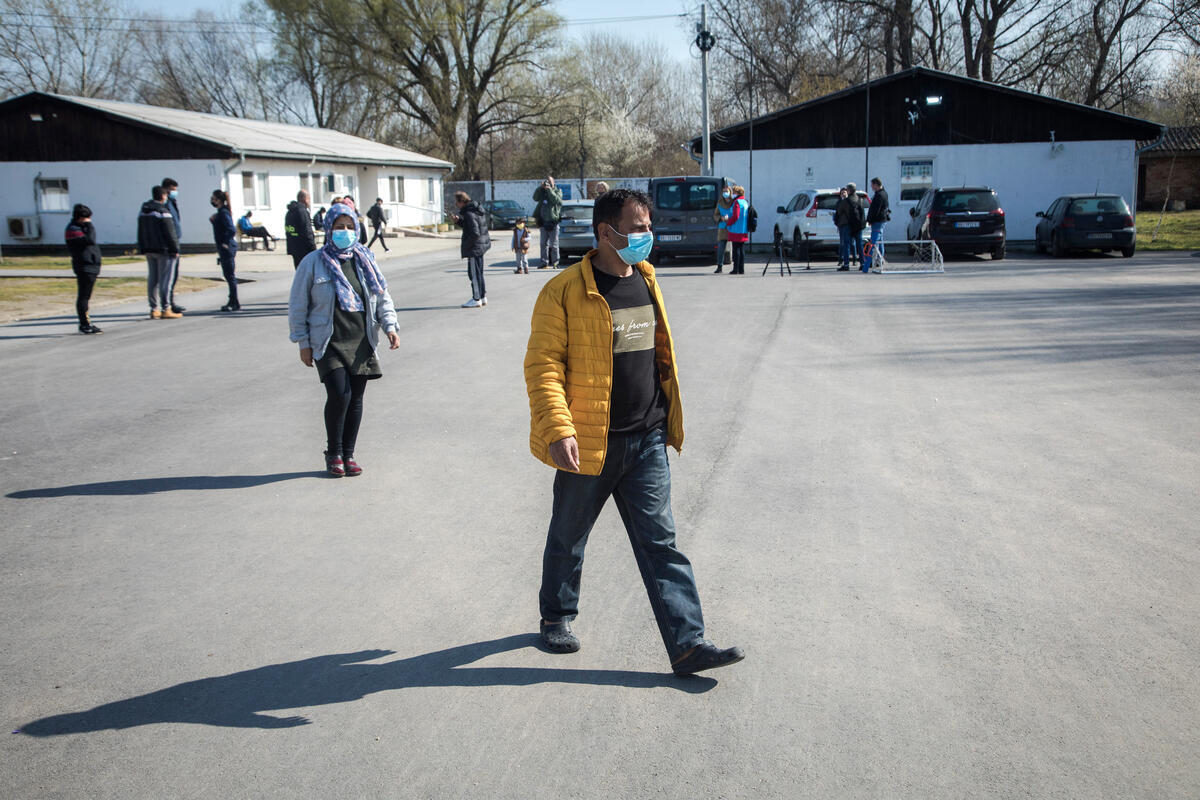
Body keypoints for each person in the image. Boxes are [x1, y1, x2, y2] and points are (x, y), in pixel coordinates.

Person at [524, 187, 745, 676]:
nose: (649, 236)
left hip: (646, 439)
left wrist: (667, 416)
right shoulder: (562, 291)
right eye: (639, 227)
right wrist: (559, 429)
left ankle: (689, 644)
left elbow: (658, 354)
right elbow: (543, 367)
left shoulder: (647, 279)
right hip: (590, 442)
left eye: (649, 226)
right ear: (606, 232)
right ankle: (556, 615)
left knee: (661, 544)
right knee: (568, 535)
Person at [288, 202, 400, 478]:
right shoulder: (313, 262)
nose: (345, 232)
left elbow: (381, 296)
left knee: (356, 399)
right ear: (328, 229)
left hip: (361, 339)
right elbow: (298, 304)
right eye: (339, 227)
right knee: (340, 393)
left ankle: (349, 455)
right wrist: (302, 341)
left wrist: (390, 325)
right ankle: (333, 452)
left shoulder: (365, 259)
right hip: (329, 341)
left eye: (350, 227)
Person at [137, 185, 181, 319]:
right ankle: (166, 308)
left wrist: (142, 247)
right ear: (163, 196)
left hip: (149, 248)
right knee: (165, 280)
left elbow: (140, 230)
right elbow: (170, 233)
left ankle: (153, 308)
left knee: (153, 279)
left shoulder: (144, 211)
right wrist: (175, 249)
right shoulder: (163, 212)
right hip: (164, 250)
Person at [64, 204, 102, 334]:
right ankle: (84, 324)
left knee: (86, 296)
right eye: (87, 219)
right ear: (81, 218)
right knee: (83, 296)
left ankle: (86, 322)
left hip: (90, 266)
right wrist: (89, 225)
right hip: (84, 266)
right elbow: (90, 239)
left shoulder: (81, 228)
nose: (89, 221)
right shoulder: (73, 230)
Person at [452, 191, 490, 307]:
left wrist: (467, 246)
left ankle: (476, 298)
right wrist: (459, 221)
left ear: (462, 201)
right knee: (479, 273)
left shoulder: (469, 213)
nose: (456, 205)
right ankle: (482, 297)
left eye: (457, 202)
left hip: (475, 248)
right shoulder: (475, 210)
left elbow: (474, 233)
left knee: (473, 274)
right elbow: (470, 226)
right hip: (480, 246)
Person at [209, 189, 240, 311]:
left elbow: (232, 230)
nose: (212, 201)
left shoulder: (223, 213)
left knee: (230, 275)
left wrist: (225, 243)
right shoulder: (221, 212)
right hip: (224, 247)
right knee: (228, 275)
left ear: (219, 200)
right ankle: (233, 300)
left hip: (227, 248)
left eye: (214, 198)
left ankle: (233, 302)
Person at [161, 177, 186, 314]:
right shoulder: (164, 204)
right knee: (168, 275)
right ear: (165, 189)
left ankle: (171, 301)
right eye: (172, 190)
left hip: (176, 241)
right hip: (170, 244)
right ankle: (167, 303)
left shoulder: (172, 202)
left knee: (174, 275)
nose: (174, 192)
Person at [532, 175, 562, 269]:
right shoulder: (542, 192)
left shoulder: (558, 191)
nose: (548, 183)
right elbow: (535, 198)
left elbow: (556, 200)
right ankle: (544, 262)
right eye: (546, 181)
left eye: (550, 181)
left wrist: (549, 189)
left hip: (553, 222)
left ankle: (555, 262)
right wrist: (540, 188)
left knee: (554, 245)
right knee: (543, 244)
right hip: (543, 222)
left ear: (554, 182)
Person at [835, 183, 865, 271]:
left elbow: (839, 212)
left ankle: (846, 264)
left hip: (847, 225)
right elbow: (862, 213)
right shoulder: (860, 200)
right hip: (858, 226)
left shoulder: (845, 201)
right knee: (859, 244)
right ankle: (862, 263)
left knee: (846, 245)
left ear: (848, 190)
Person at [863, 177, 890, 272]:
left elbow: (876, 210)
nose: (871, 187)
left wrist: (870, 219)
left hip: (877, 221)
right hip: (881, 221)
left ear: (876, 184)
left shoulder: (879, 195)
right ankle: (880, 261)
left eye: (872, 185)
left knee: (873, 243)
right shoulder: (883, 193)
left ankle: (866, 266)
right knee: (880, 242)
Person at [285, 190, 318, 268]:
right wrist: (314, 249)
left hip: (294, 250)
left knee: (299, 273)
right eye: (309, 199)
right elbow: (307, 232)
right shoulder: (302, 212)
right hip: (304, 251)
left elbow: (288, 231)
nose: (309, 202)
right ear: (305, 199)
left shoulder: (289, 212)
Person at [722, 184, 749, 275]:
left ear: (737, 193)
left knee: (736, 249)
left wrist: (728, 222)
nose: (732, 193)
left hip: (736, 229)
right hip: (743, 229)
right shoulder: (745, 202)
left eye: (733, 192)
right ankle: (741, 269)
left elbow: (736, 216)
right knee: (741, 249)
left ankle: (735, 269)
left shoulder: (737, 202)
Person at [713, 184, 733, 273]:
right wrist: (721, 218)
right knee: (721, 247)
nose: (725, 193)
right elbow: (715, 215)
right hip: (723, 228)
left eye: (727, 191)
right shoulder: (720, 202)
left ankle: (736, 267)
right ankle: (719, 266)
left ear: (730, 192)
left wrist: (731, 218)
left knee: (736, 247)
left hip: (733, 226)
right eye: (724, 191)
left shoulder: (734, 202)